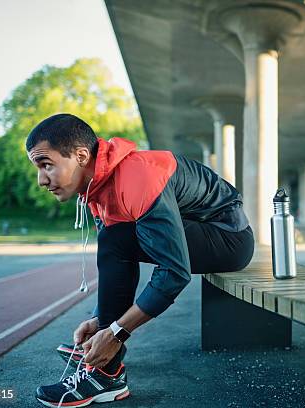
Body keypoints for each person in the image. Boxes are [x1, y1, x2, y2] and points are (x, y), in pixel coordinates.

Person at [26, 113, 254, 406]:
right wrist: (100, 320)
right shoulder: (96, 189)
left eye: (46, 165)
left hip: (230, 238)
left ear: (81, 155)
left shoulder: (137, 176)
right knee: (114, 238)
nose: (41, 180)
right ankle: (105, 364)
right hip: (201, 231)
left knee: (116, 238)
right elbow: (115, 260)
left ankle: (104, 373)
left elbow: (174, 271)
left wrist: (117, 333)